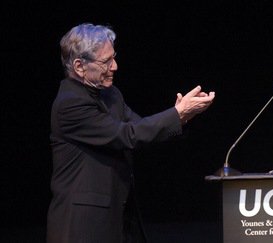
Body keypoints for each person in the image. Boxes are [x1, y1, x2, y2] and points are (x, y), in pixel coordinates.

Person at [47, 23, 215, 243]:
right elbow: (127, 135)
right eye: (106, 61)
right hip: (83, 225)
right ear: (79, 66)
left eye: (114, 57)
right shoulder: (70, 104)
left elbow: (141, 131)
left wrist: (182, 116)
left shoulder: (111, 94)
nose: (115, 66)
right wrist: (176, 113)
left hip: (120, 220)